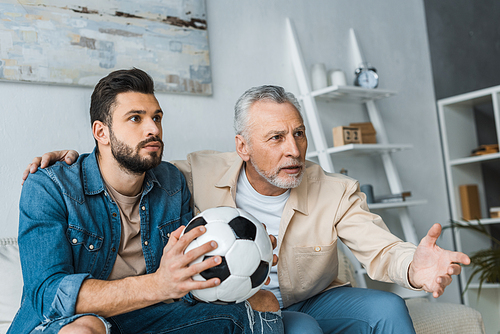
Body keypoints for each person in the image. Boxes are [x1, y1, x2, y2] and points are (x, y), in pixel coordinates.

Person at [24, 85, 470, 334]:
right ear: (242, 147)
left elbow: (382, 250)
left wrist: (416, 264)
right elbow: (127, 166)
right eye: (276, 138)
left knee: (388, 312)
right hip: (241, 302)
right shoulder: (191, 172)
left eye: (298, 134)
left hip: (308, 297)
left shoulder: (335, 190)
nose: (293, 149)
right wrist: (78, 159)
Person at [12, 70, 283, 334]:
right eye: (135, 118)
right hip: (66, 323)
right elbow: (49, 294)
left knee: (264, 305)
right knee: (84, 330)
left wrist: (248, 255)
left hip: (146, 317)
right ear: (101, 132)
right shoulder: (50, 185)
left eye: (157, 117)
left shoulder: (172, 182)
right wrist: (159, 284)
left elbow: (186, 274)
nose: (153, 128)